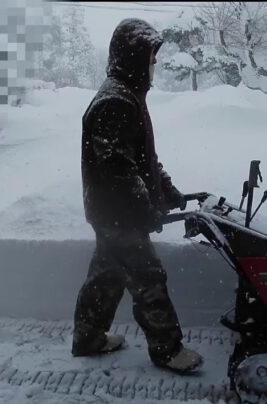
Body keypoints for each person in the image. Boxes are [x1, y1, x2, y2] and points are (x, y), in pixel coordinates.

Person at [72, 18, 203, 375]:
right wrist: (144, 210)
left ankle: (88, 338)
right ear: (133, 56)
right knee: (149, 278)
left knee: (107, 276)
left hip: (111, 212)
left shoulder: (127, 95)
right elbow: (119, 172)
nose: (155, 62)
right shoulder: (115, 102)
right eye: (151, 54)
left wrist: (169, 192)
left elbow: (143, 160)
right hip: (118, 213)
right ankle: (167, 350)